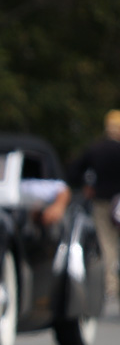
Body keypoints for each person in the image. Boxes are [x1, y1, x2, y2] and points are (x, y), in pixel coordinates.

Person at [69, 109, 120, 298]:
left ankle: (110, 285)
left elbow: (73, 171)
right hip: (115, 201)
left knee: (107, 243)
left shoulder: (96, 149)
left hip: (103, 202)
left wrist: (86, 185)